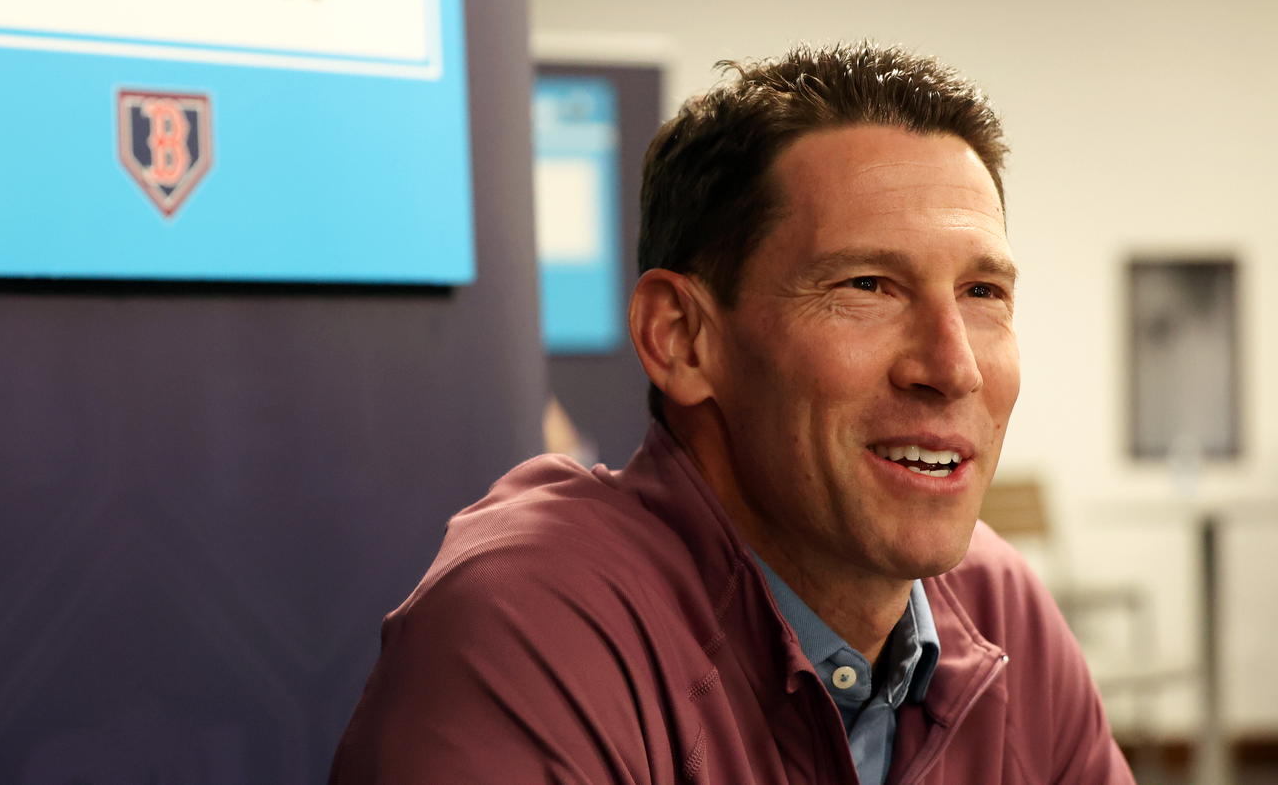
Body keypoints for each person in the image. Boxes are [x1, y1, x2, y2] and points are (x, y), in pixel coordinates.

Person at [331, 43, 1134, 784]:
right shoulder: (531, 625)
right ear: (681, 338)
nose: (953, 367)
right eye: (866, 287)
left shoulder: (998, 611)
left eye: (983, 293)